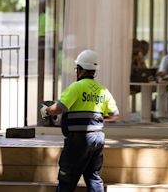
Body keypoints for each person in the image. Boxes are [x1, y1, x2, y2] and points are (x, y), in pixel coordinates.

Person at [40, 49, 120, 192]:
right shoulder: (103, 90)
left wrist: (45, 110)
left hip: (79, 140)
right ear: (94, 71)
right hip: (98, 139)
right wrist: (100, 117)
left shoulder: (76, 87)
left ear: (80, 69)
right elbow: (115, 114)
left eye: (77, 68)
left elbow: (58, 108)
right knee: (93, 177)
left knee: (67, 178)